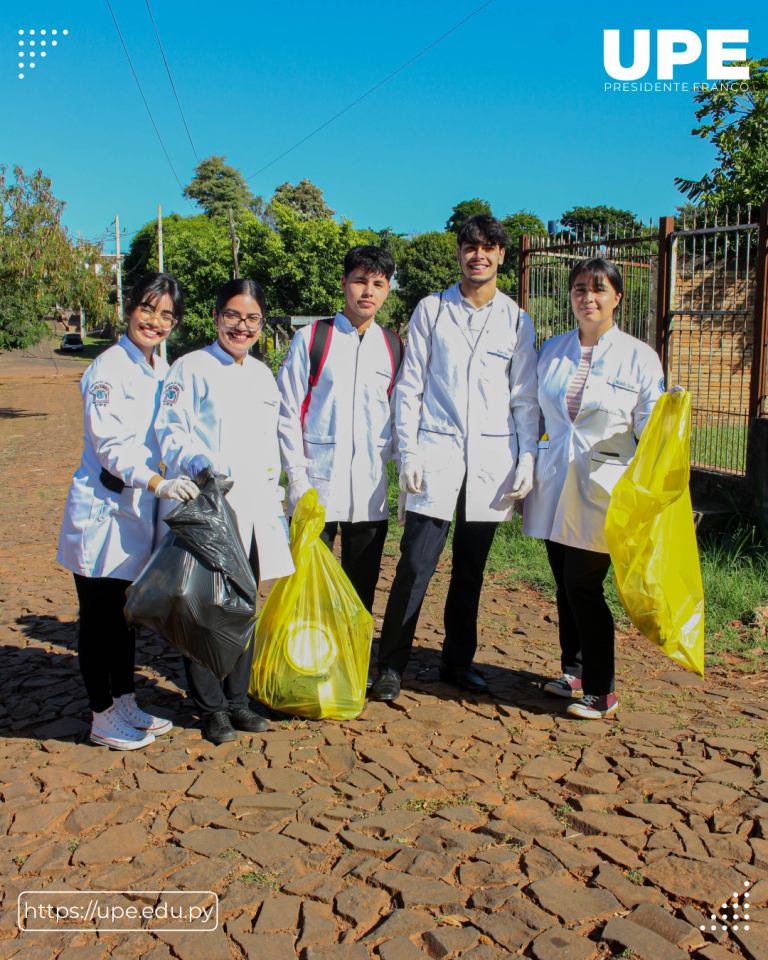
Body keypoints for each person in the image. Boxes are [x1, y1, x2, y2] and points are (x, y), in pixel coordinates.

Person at [369, 215, 540, 702]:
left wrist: (527, 457)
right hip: (436, 454)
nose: (478, 255)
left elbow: (524, 398)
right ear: (460, 253)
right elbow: (410, 387)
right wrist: (409, 450)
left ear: (502, 256)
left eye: (488, 248)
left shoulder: (517, 319)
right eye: (470, 246)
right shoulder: (431, 310)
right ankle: (391, 664)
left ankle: (457, 662)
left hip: (491, 460)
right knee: (415, 563)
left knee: (470, 569)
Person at [57, 272, 197, 750]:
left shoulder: (160, 367)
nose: (155, 322)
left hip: (140, 513)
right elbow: (111, 445)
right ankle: (101, 715)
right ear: (129, 306)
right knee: (97, 617)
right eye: (147, 309)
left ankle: (125, 701)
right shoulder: (107, 368)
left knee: (125, 615)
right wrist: (159, 482)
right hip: (105, 511)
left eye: (166, 315)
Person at [523, 257, 666, 719]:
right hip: (554, 482)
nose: (589, 297)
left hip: (606, 487)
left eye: (599, 289)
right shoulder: (553, 349)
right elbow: (541, 411)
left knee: (582, 585)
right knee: (563, 583)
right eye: (581, 288)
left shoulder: (638, 355)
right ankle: (575, 670)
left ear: (617, 298)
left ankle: (602, 689)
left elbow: (650, 426)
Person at [155, 278, 294, 744]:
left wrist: (277, 495)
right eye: (233, 315)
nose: (242, 326)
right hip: (211, 506)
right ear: (216, 318)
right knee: (206, 606)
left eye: (252, 318)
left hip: (256, 509)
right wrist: (198, 465)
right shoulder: (190, 367)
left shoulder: (261, 373)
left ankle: (238, 699)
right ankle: (211, 707)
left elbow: (269, 442)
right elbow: (171, 431)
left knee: (245, 604)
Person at [277, 246, 402, 687]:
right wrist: (297, 479)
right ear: (345, 282)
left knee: (361, 588)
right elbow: (288, 413)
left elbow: (396, 418)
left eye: (378, 284)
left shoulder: (391, 346)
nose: (367, 292)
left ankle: (350, 667)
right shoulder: (313, 338)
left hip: (368, 491)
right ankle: (302, 667)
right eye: (360, 281)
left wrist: (402, 476)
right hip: (316, 490)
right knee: (306, 584)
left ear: (387, 290)